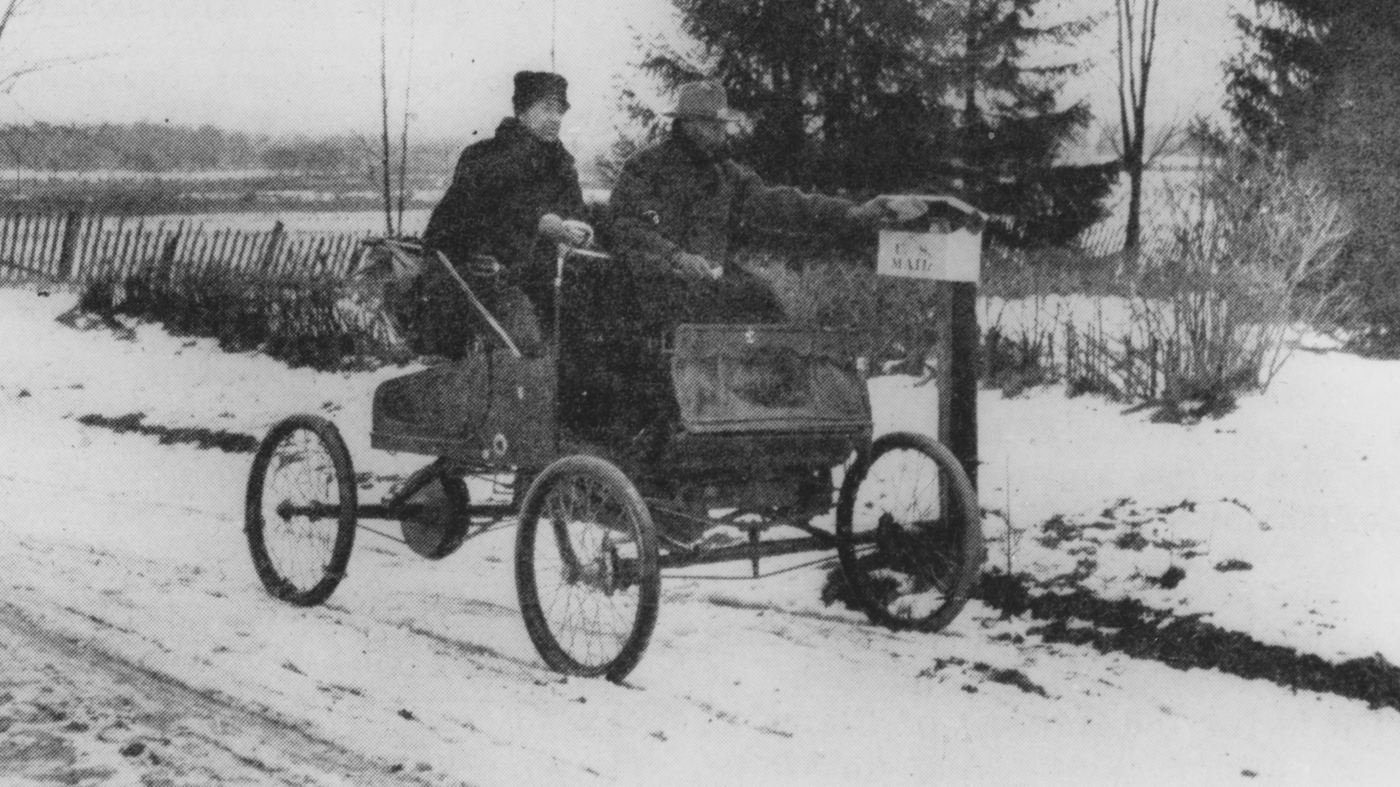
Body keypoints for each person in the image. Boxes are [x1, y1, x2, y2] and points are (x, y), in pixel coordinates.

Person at [608, 79, 928, 334]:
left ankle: (767, 406)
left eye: (722, 126)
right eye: (711, 125)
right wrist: (675, 257)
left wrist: (853, 212)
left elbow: (782, 204)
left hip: (709, 284)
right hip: (654, 285)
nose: (720, 134)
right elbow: (625, 226)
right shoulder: (645, 168)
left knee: (763, 303)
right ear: (686, 124)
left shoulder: (727, 175)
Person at [416, 70, 591, 359]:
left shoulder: (562, 164)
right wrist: (538, 222)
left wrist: (581, 230)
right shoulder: (484, 156)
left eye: (560, 111)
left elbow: (575, 211)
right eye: (547, 108)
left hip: (534, 277)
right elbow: (471, 216)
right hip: (474, 271)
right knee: (524, 345)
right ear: (522, 111)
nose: (556, 119)